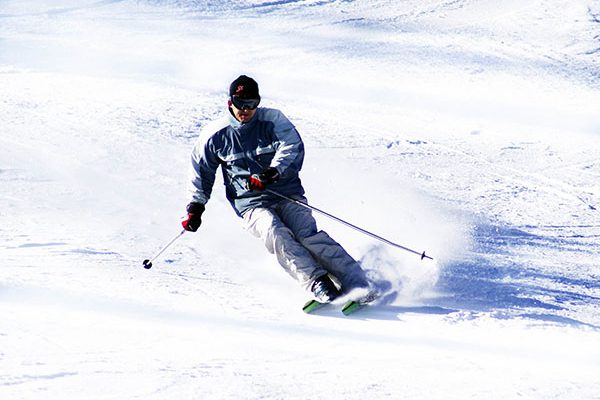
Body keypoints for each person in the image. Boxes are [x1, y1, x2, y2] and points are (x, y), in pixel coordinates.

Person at [182, 75, 370, 303]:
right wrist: (196, 206)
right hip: (250, 203)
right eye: (240, 104)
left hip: (286, 192)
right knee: (275, 232)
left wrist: (273, 172)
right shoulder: (215, 135)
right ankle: (317, 281)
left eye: (252, 104)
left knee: (306, 235)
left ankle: (355, 279)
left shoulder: (272, 120)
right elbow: (202, 172)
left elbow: (293, 145)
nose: (246, 110)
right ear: (230, 102)